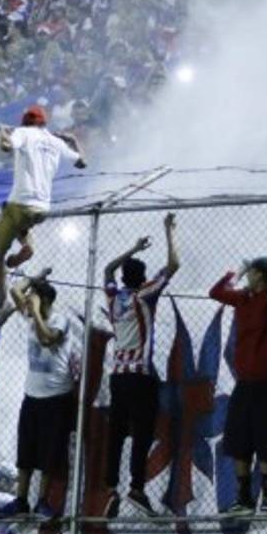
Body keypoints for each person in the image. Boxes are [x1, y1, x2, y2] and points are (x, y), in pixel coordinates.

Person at [209, 255, 267, 513]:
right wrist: (236, 274)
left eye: (251, 271)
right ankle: (243, 498)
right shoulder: (244, 299)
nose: (247, 275)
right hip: (246, 382)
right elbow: (216, 292)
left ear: (261, 275)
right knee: (240, 439)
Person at [101, 213, 180, 516]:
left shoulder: (113, 298)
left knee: (117, 433)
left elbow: (108, 268)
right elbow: (174, 266)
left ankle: (110, 489)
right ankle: (136, 488)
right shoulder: (146, 295)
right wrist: (169, 230)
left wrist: (132, 249)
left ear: (123, 279)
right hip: (141, 376)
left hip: (117, 376)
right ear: (143, 277)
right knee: (143, 432)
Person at [0, 105, 86, 310]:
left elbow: (6, 147)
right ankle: (28, 247)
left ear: (25, 121)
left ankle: (1, 301)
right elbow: (82, 163)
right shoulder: (55, 140)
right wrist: (73, 141)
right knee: (20, 224)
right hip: (42, 209)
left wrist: (2, 132)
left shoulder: (23, 132)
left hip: (20, 203)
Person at [4, 278, 75, 516]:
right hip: (32, 396)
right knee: (25, 452)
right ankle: (21, 500)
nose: (27, 299)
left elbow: (46, 339)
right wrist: (34, 280)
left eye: (33, 296)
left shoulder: (60, 320)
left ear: (44, 300)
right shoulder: (32, 315)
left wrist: (34, 310)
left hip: (55, 397)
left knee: (49, 453)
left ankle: (42, 501)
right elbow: (14, 290)